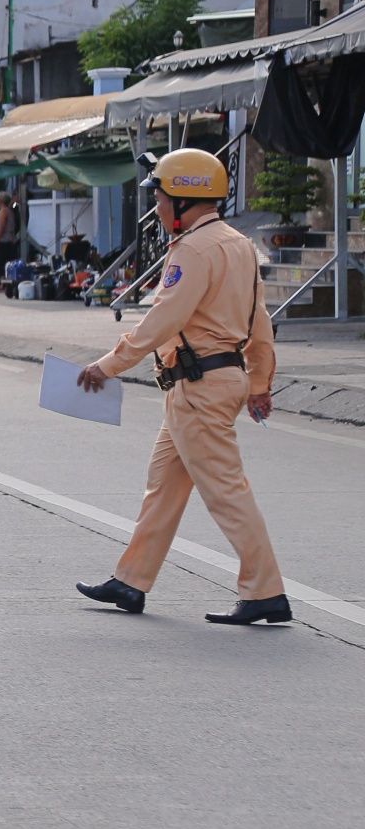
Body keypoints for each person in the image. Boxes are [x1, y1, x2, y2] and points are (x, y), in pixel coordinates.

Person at [75, 149, 289, 625]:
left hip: (199, 387)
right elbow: (259, 320)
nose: (156, 206)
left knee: (226, 492)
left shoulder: (192, 250)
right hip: (209, 382)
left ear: (183, 199)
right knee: (163, 487)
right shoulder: (238, 245)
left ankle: (265, 591)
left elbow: (163, 318)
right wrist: (259, 381)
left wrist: (109, 365)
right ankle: (131, 581)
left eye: (160, 197)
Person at [0, 189, 20, 282]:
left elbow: (1, 226)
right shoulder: (9, 211)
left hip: (3, 241)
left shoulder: (3, 211)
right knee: (6, 264)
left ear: (0, 200)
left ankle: (0, 282)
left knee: (1, 264)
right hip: (9, 241)